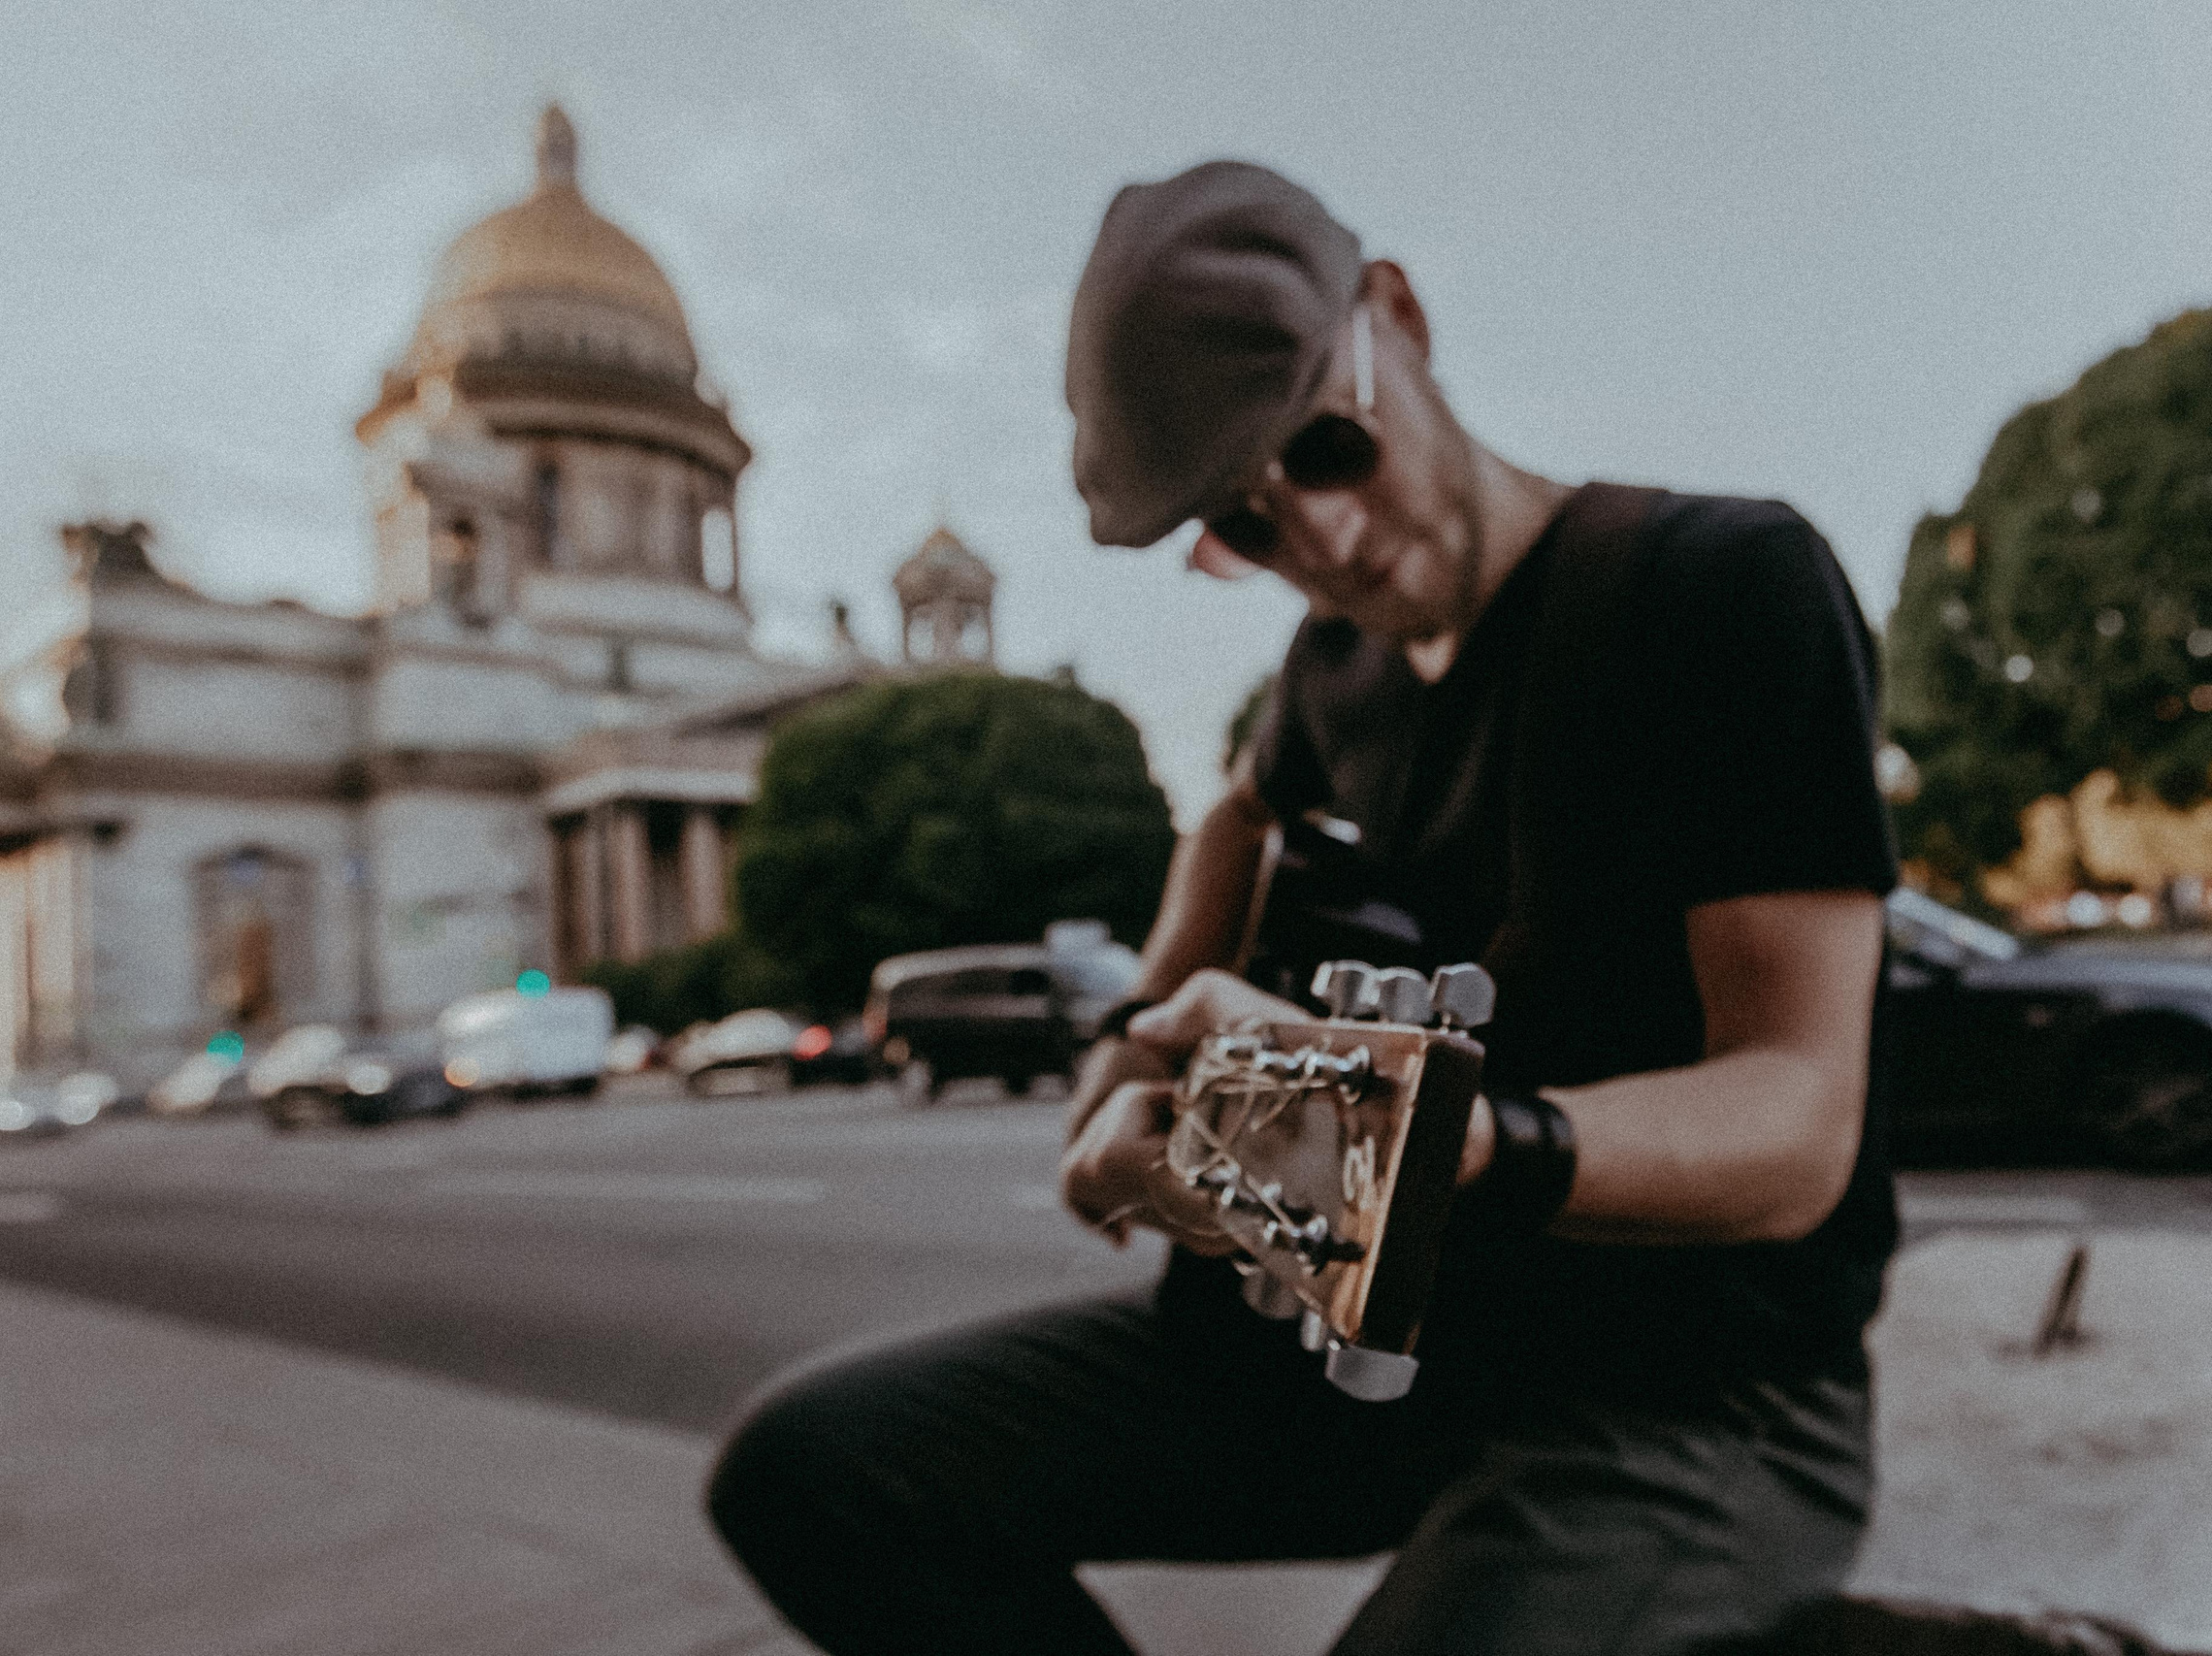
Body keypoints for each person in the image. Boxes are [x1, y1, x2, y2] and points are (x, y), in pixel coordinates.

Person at [708, 160, 1897, 1655]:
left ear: (1393, 314)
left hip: (1697, 1390)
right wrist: (1133, 1075)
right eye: (1244, 529)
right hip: (1393, 1351)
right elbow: (1234, 816)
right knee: (817, 1474)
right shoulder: (1327, 678)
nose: (1319, 545)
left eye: (1327, 448)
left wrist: (1463, 1148)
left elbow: (1800, 1123)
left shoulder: (1720, 590)